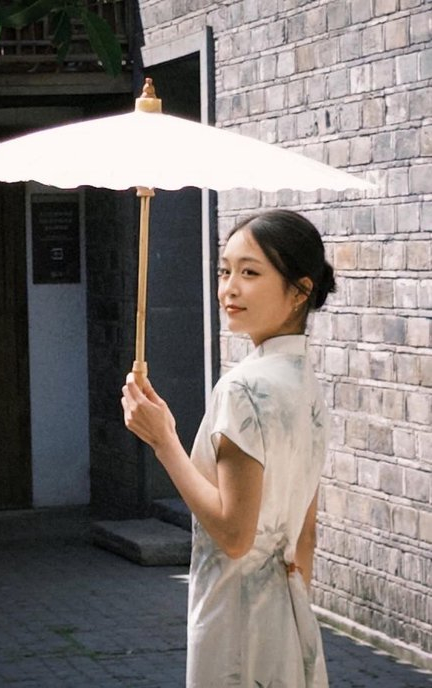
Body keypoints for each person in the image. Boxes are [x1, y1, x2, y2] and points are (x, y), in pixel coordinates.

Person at [121, 209, 335, 687]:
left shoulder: (243, 389)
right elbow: (305, 534)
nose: (229, 289)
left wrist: (164, 440)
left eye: (250, 273)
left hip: (235, 621)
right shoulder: (304, 381)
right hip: (288, 616)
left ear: (299, 291)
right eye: (224, 271)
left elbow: (235, 535)